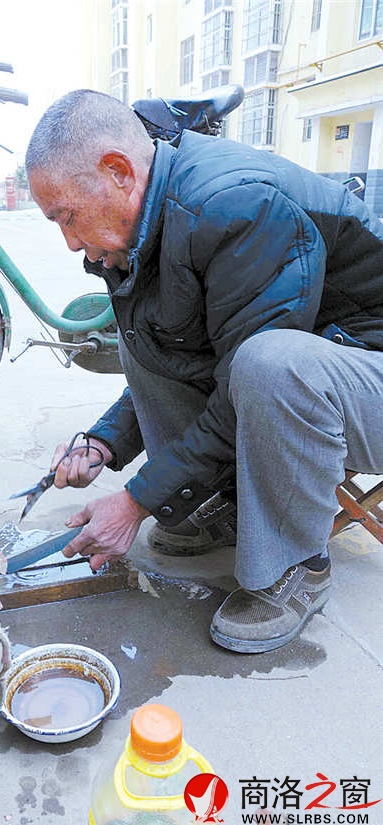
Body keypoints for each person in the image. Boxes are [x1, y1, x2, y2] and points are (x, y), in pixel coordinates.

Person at [25, 89, 383, 654]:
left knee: (268, 364)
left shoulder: (234, 204)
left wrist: (138, 500)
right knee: (148, 333)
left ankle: (296, 566)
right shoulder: (160, 213)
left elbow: (244, 381)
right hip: (332, 361)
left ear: (118, 172)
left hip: (371, 375)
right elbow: (168, 355)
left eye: (67, 217)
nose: (71, 243)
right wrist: (104, 444)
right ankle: (212, 506)